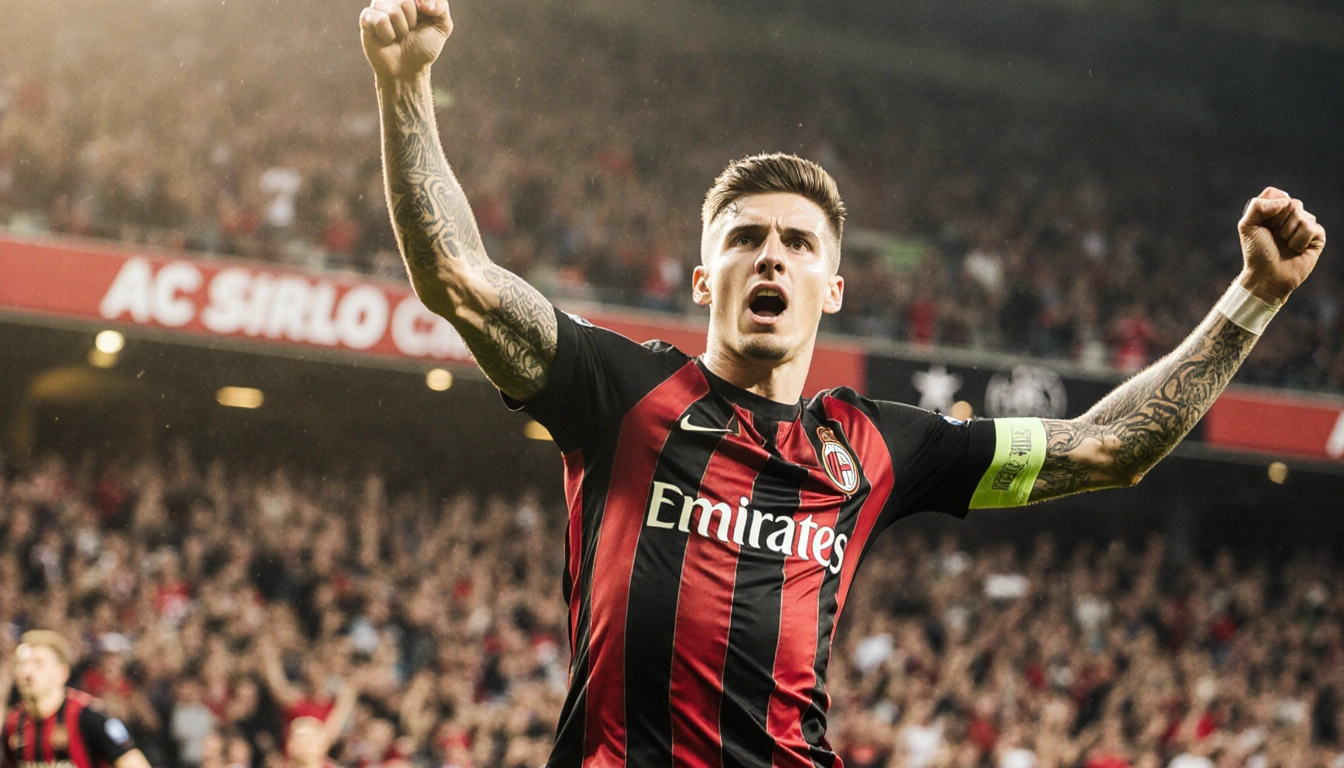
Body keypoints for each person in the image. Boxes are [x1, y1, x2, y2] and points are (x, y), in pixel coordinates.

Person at [356, 1, 1328, 765]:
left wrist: (1251, 298)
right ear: (706, 279)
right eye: (744, 240)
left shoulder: (879, 444)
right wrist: (408, 89)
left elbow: (1111, 450)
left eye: (796, 243)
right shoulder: (619, 392)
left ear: (834, 283)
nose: (769, 258)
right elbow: (461, 280)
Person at [2, 631, 155, 768]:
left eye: (38, 663)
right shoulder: (13, 723)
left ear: (62, 672)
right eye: (22, 664)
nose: (27, 672)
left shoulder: (89, 716)